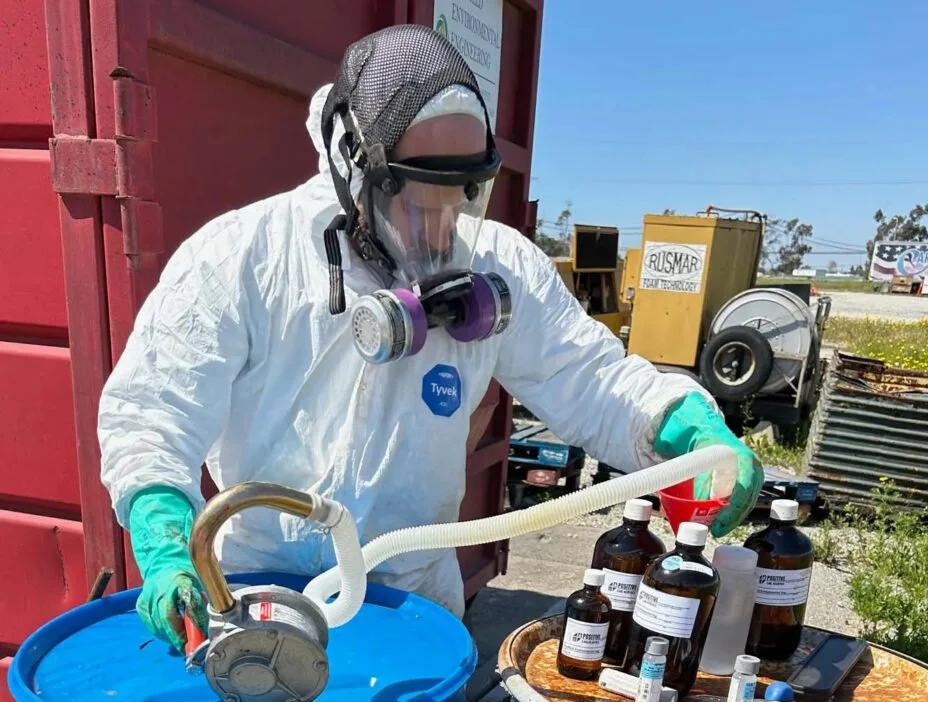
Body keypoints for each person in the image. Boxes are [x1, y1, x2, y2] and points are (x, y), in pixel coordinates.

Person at [98, 24, 762, 652]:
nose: (443, 231)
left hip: (414, 610)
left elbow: (591, 382)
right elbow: (153, 412)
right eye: (418, 204)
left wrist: (680, 429)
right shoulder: (246, 256)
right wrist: (163, 536)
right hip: (263, 601)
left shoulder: (496, 267)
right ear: (356, 166)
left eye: (463, 198)